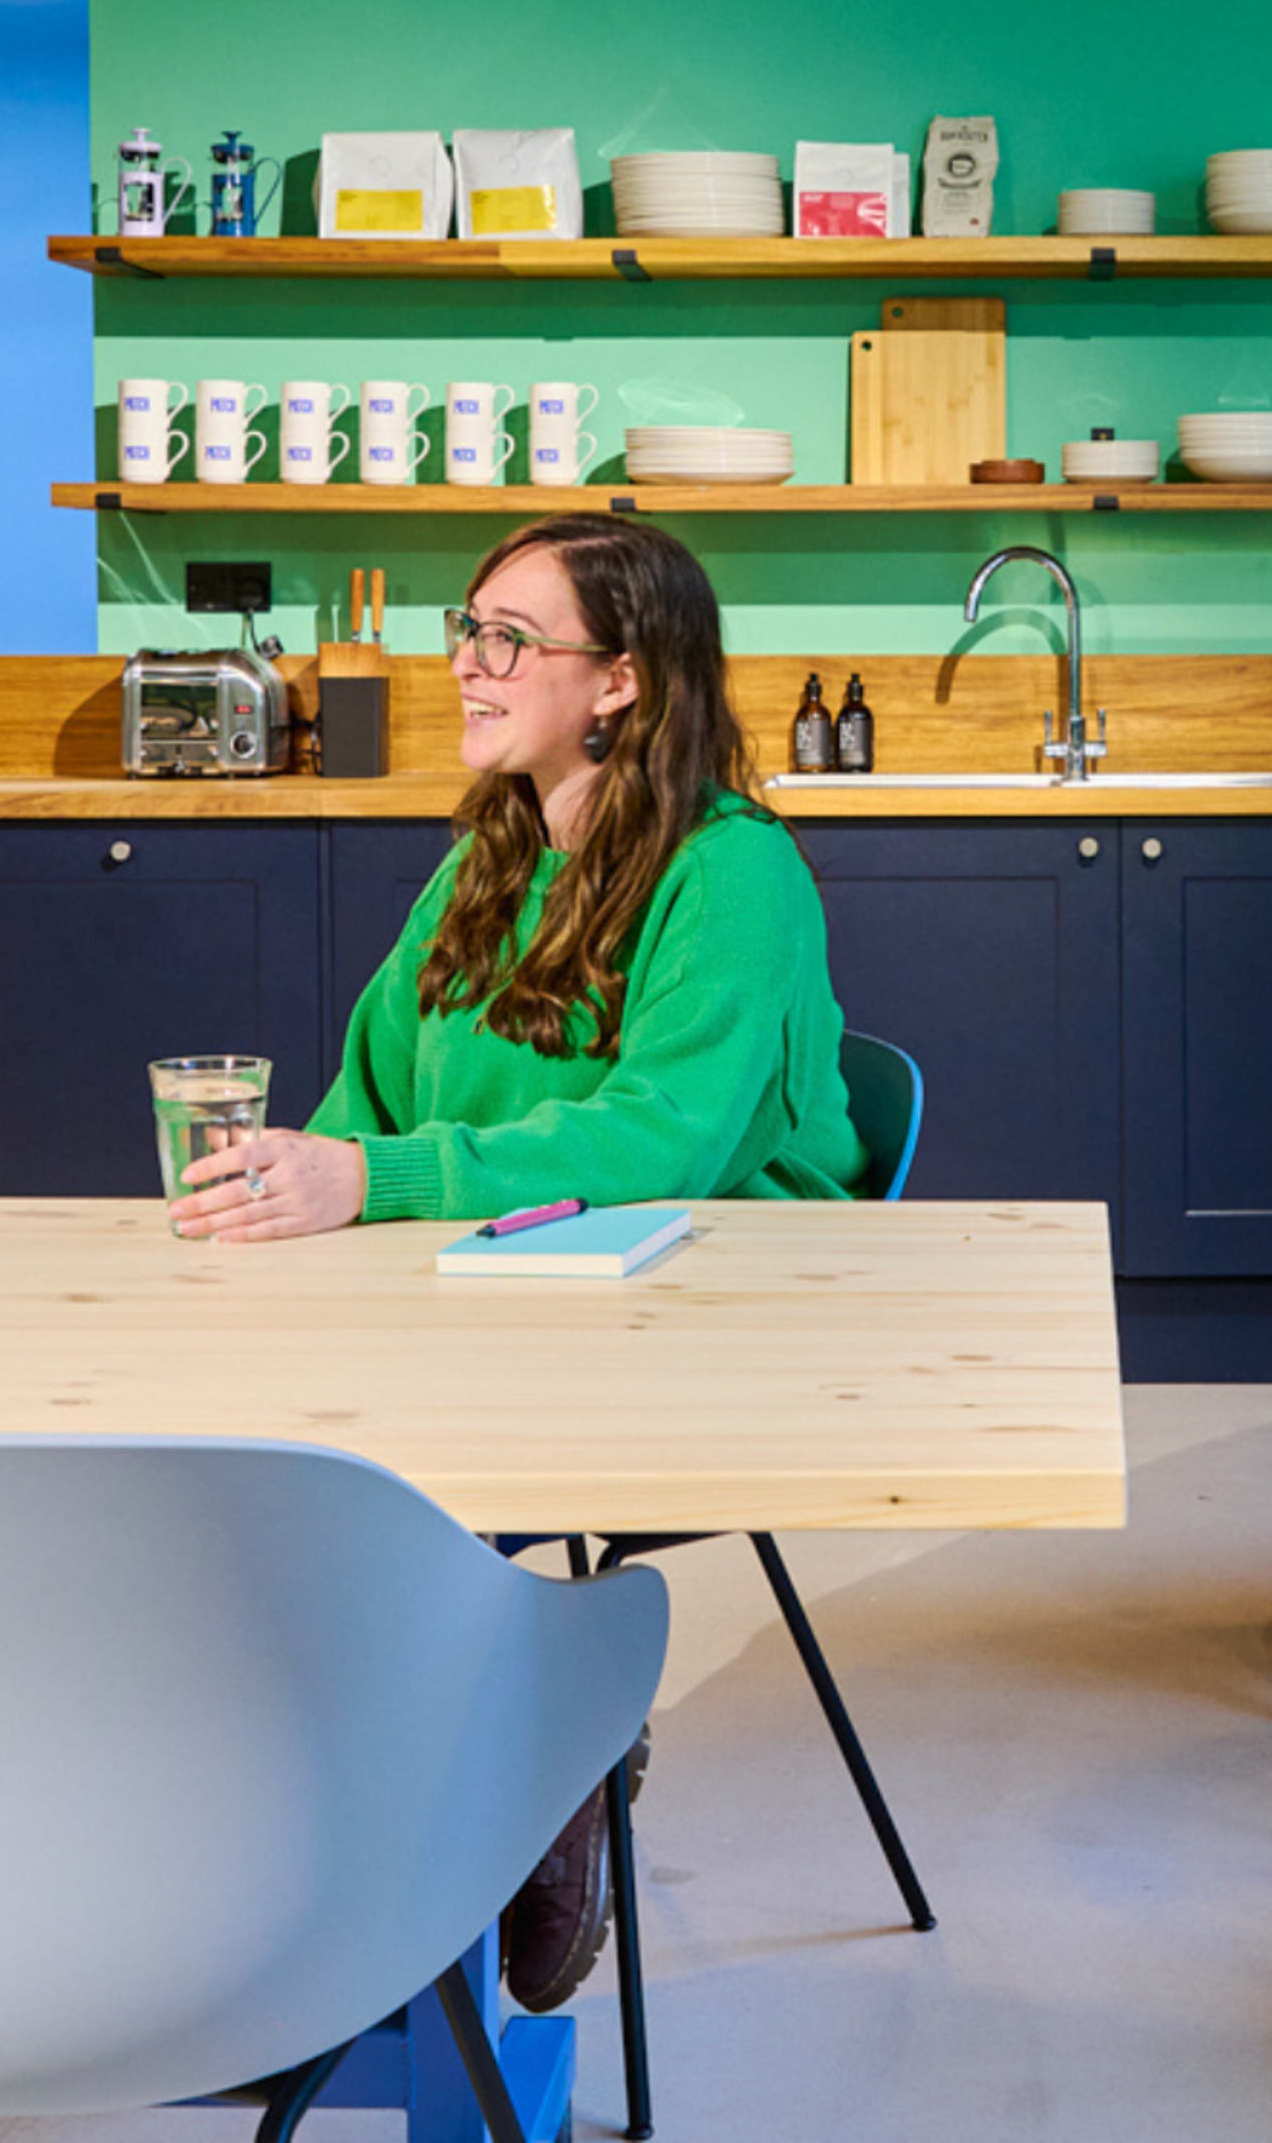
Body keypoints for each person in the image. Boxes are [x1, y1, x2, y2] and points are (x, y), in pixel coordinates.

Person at [171, 509, 861, 2004]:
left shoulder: (732, 872)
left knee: (396, 1478)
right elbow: (374, 1088)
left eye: (508, 640)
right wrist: (298, 1186)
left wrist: (382, 1179)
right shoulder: (487, 855)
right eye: (464, 632)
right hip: (485, 1279)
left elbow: (663, 1140)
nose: (469, 667)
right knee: (242, 1455)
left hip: (696, 1298)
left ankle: (547, 1747)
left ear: (619, 681)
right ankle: (423, 1771)